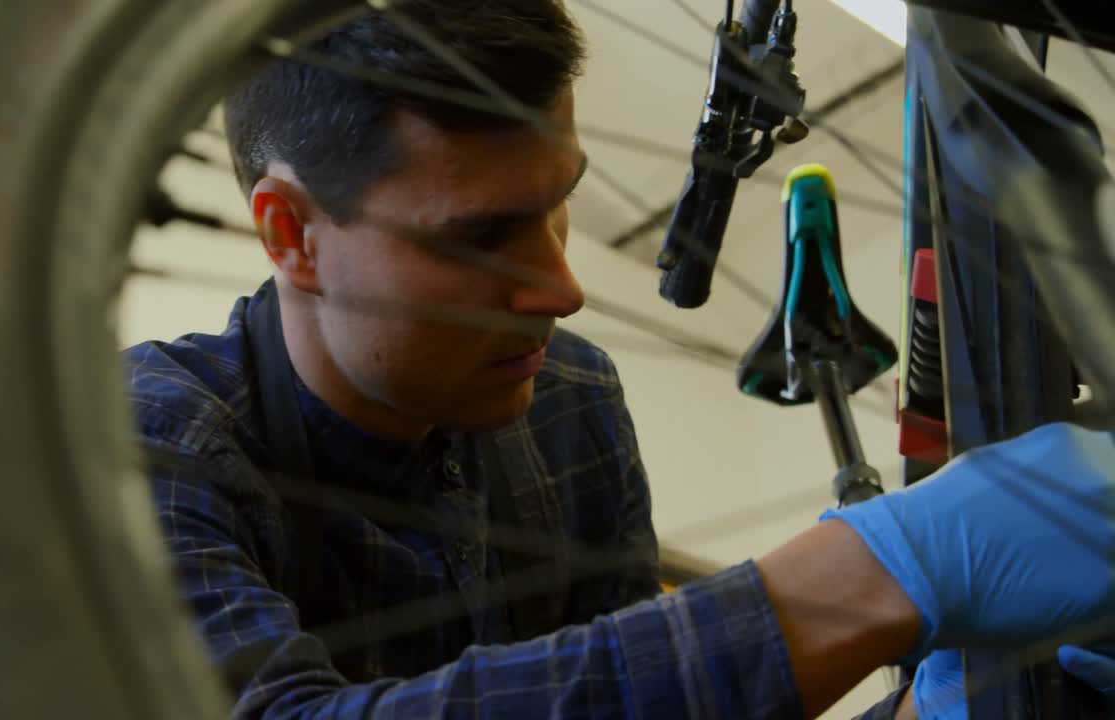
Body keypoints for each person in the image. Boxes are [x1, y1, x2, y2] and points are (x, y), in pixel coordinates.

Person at [122, 2, 1115, 717]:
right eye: (483, 235)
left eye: (558, 204)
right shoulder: (146, 439)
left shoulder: (567, 397)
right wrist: (876, 571)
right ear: (291, 233)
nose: (560, 290)